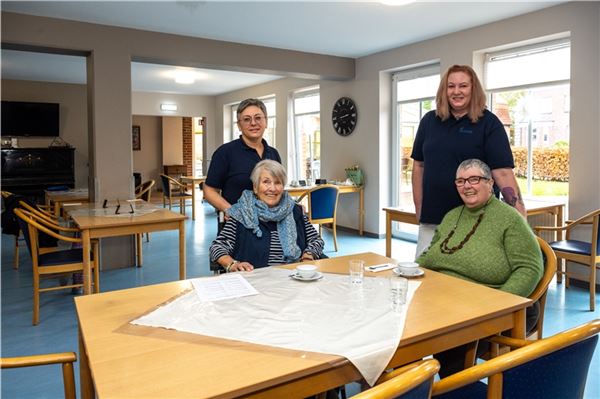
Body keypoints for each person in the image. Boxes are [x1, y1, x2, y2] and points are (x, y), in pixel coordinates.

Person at [416, 158, 543, 377]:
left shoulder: (509, 219)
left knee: (450, 343)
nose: (467, 186)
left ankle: (453, 389)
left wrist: (498, 303)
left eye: (474, 179)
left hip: (488, 306)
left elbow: (529, 268)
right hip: (444, 298)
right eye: (460, 181)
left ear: (490, 183)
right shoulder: (452, 216)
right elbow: (429, 256)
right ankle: (403, 384)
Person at [411, 64, 525, 257]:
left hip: (475, 220)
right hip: (433, 218)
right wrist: (419, 206)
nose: (456, 91)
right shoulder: (429, 121)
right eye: (451, 86)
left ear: (473, 89)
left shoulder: (489, 124)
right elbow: (419, 166)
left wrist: (520, 215)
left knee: (467, 280)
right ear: (444, 90)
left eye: (463, 86)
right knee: (426, 278)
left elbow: (503, 173)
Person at [209, 160, 324, 272]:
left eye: (278, 182)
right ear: (255, 187)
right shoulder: (241, 213)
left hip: (294, 277)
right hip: (254, 279)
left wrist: (308, 256)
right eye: (266, 182)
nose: (272, 188)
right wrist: (232, 264)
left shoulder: (295, 211)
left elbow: (316, 240)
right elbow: (217, 247)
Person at [204, 98, 281, 215]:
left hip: (270, 224)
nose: (253, 123)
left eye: (258, 118)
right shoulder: (224, 153)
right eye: (246, 119)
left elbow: (276, 188)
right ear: (239, 125)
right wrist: (230, 210)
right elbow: (209, 190)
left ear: (266, 122)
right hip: (237, 225)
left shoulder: (274, 154)